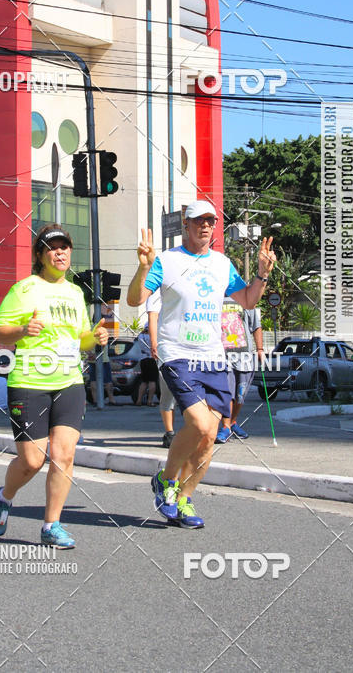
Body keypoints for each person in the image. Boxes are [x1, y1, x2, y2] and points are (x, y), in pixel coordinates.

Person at [128, 199, 276, 529]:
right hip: (177, 353)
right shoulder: (166, 261)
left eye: (211, 221)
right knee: (199, 423)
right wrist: (142, 267)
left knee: (210, 436)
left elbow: (248, 300)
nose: (205, 226)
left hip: (213, 357)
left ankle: (184, 498)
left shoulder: (223, 264)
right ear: (186, 224)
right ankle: (166, 481)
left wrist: (263, 274)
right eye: (198, 220)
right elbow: (135, 300)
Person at [0, 223, 109, 548]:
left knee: (64, 455)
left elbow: (80, 340)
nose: (60, 252)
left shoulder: (75, 292)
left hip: (69, 382)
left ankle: (51, 524)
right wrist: (24, 329)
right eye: (53, 247)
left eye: (65, 247)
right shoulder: (24, 289)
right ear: (40, 254)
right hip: (29, 381)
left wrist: (94, 338)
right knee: (32, 460)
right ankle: (5, 496)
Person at [216, 304, 264, 442]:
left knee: (240, 394)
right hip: (222, 356)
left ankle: (232, 422)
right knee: (227, 392)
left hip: (244, 356)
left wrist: (260, 349)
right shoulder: (216, 294)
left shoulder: (247, 299)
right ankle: (225, 426)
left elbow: (256, 326)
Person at [148, 292, 176, 447]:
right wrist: (154, 343)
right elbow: (152, 317)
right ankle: (170, 433)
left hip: (188, 347)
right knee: (168, 394)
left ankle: (192, 432)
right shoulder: (156, 292)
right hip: (167, 351)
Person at [135, 323, 158, 407]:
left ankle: (139, 400)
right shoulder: (153, 336)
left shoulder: (140, 336)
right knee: (152, 381)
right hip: (152, 359)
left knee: (144, 381)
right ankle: (150, 401)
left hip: (143, 359)